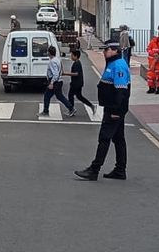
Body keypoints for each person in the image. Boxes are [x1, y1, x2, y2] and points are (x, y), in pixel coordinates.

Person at [75, 39, 131, 181]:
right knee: (118, 139)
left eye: (106, 49)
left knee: (104, 138)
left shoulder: (118, 66)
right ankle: (120, 170)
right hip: (112, 107)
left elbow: (121, 91)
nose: (104, 52)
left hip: (114, 109)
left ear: (115, 51)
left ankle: (94, 170)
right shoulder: (113, 63)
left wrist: (116, 111)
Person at [41, 46, 76, 118]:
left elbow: (55, 74)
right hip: (59, 81)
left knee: (47, 96)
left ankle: (45, 111)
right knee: (59, 96)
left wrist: (51, 83)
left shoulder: (52, 62)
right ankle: (71, 108)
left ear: (49, 53)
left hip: (55, 82)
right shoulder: (57, 60)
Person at [66, 46, 92, 115]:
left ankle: (71, 109)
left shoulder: (77, 64)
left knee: (70, 95)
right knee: (79, 96)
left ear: (76, 56)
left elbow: (76, 73)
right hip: (78, 83)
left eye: (72, 55)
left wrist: (65, 73)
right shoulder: (77, 63)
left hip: (76, 83)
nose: (71, 57)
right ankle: (91, 106)